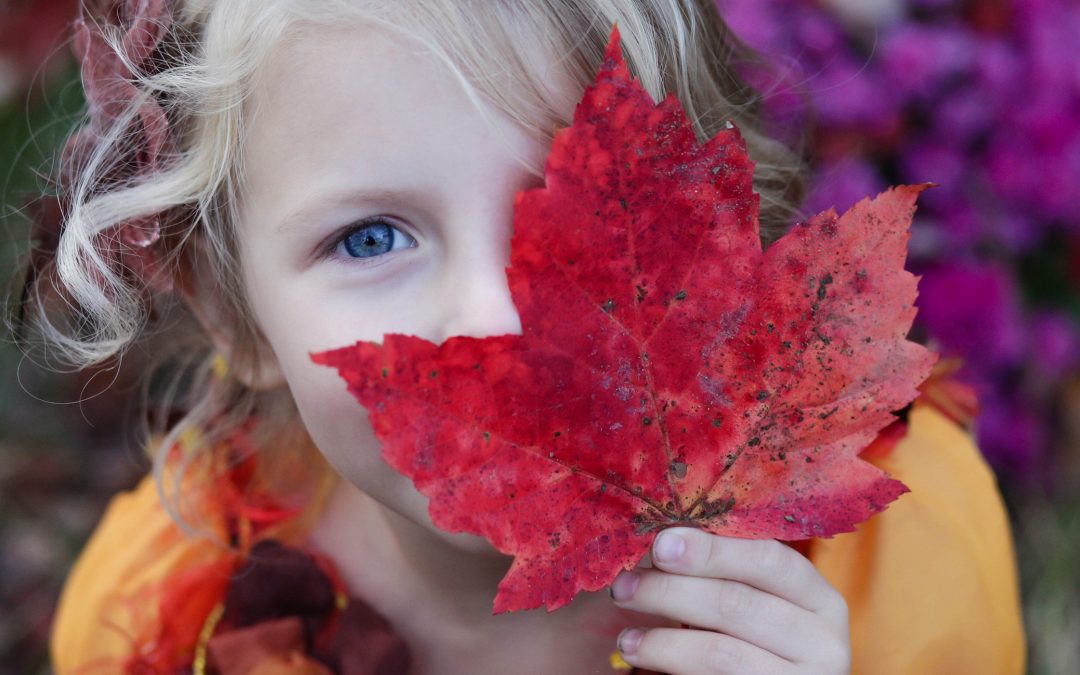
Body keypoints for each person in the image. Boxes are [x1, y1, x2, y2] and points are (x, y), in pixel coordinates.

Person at [11, 1, 1024, 673]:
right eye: (370, 237)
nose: (496, 319)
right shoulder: (154, 620)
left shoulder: (894, 566)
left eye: (567, 204)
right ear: (233, 312)